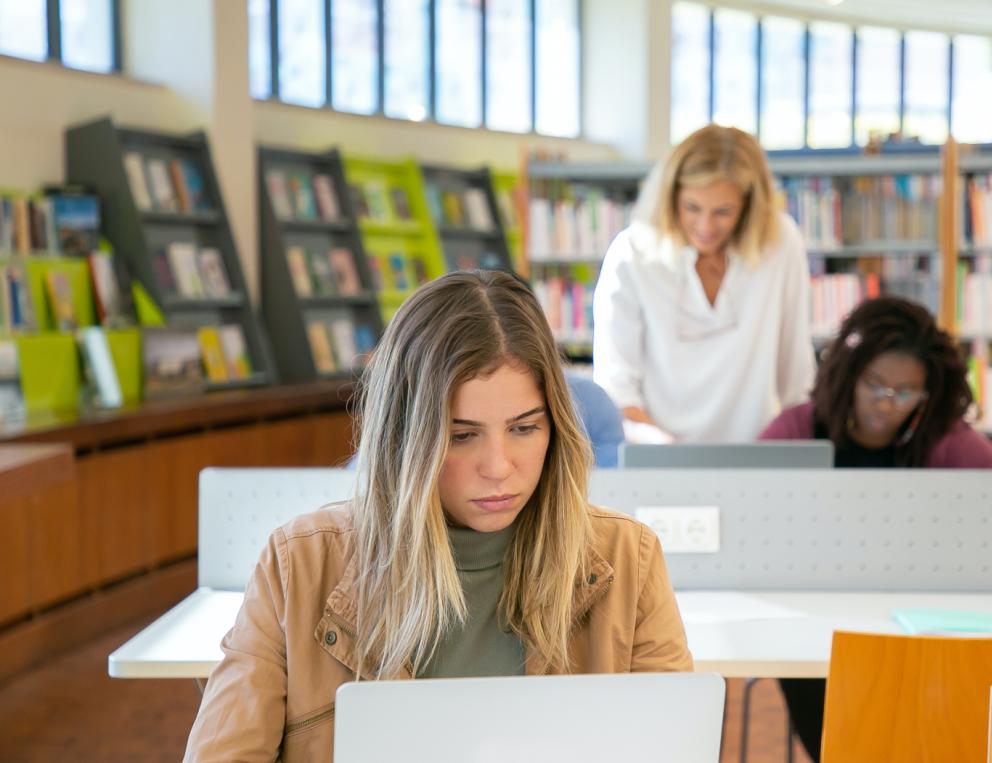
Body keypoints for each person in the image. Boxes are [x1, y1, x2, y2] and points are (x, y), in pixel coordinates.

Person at [183, 270, 692, 762]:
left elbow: (672, 749)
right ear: (405, 438)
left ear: (555, 427)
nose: (498, 468)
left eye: (523, 428)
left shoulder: (628, 559)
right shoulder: (300, 565)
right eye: (461, 435)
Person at [760, 295, 992, 762]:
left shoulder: (951, 444)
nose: (886, 405)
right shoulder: (796, 429)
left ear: (930, 392)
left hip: (922, 623)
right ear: (849, 374)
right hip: (814, 621)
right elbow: (755, 514)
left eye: (906, 392)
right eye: (875, 385)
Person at [593, 124, 815, 442]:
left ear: (749, 207)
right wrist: (671, 454)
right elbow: (617, 390)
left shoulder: (780, 243)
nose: (706, 226)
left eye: (723, 211)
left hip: (758, 457)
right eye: (692, 208)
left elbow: (796, 378)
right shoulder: (631, 254)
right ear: (671, 198)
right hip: (658, 458)